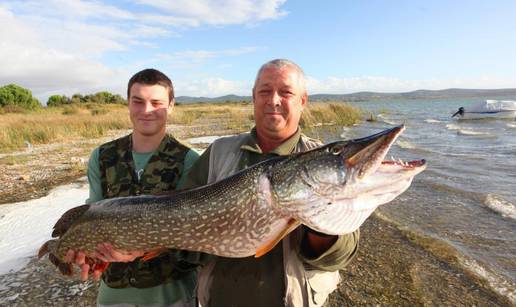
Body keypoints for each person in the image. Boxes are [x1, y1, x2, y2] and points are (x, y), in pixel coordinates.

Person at [181, 59, 360, 307]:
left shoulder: (324, 160)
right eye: (265, 91)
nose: (273, 100)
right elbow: (178, 218)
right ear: (254, 97)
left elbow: (340, 256)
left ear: (302, 101)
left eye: (286, 92)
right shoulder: (218, 152)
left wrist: (320, 224)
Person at [66, 68, 201, 307]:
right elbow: (92, 215)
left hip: (173, 295)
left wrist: (138, 249)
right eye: (138, 101)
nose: (146, 110)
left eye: (156, 102)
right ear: (128, 103)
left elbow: (192, 229)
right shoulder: (102, 156)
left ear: (171, 106)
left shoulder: (190, 160)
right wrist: (89, 254)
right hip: (113, 295)